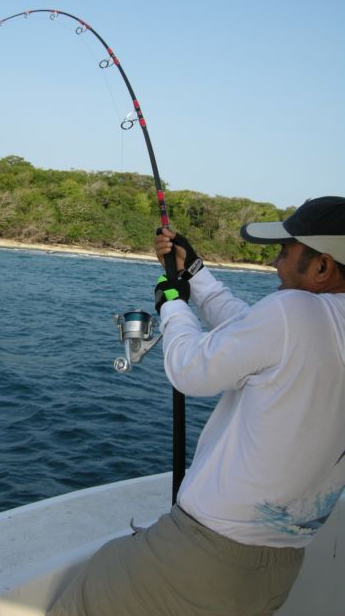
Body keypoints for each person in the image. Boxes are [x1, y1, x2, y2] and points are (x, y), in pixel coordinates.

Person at [48, 195, 345, 616]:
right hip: (278, 568)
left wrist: (171, 302)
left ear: (321, 267)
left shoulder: (294, 310)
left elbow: (191, 370)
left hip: (207, 555)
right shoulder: (316, 322)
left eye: (285, 251)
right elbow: (253, 333)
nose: (275, 264)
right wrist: (196, 274)